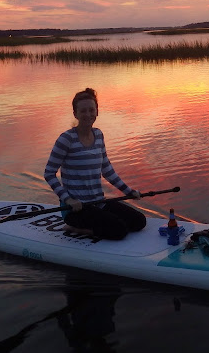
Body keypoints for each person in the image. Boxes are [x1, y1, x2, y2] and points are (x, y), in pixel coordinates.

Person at [44, 88, 146, 240]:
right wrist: (68, 199)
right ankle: (75, 227)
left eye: (91, 110)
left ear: (97, 111)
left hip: (98, 202)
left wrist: (128, 191)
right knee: (120, 230)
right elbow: (49, 173)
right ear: (75, 114)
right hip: (75, 209)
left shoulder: (98, 135)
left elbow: (107, 170)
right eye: (83, 111)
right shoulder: (66, 139)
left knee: (139, 221)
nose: (88, 114)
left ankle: (100, 223)